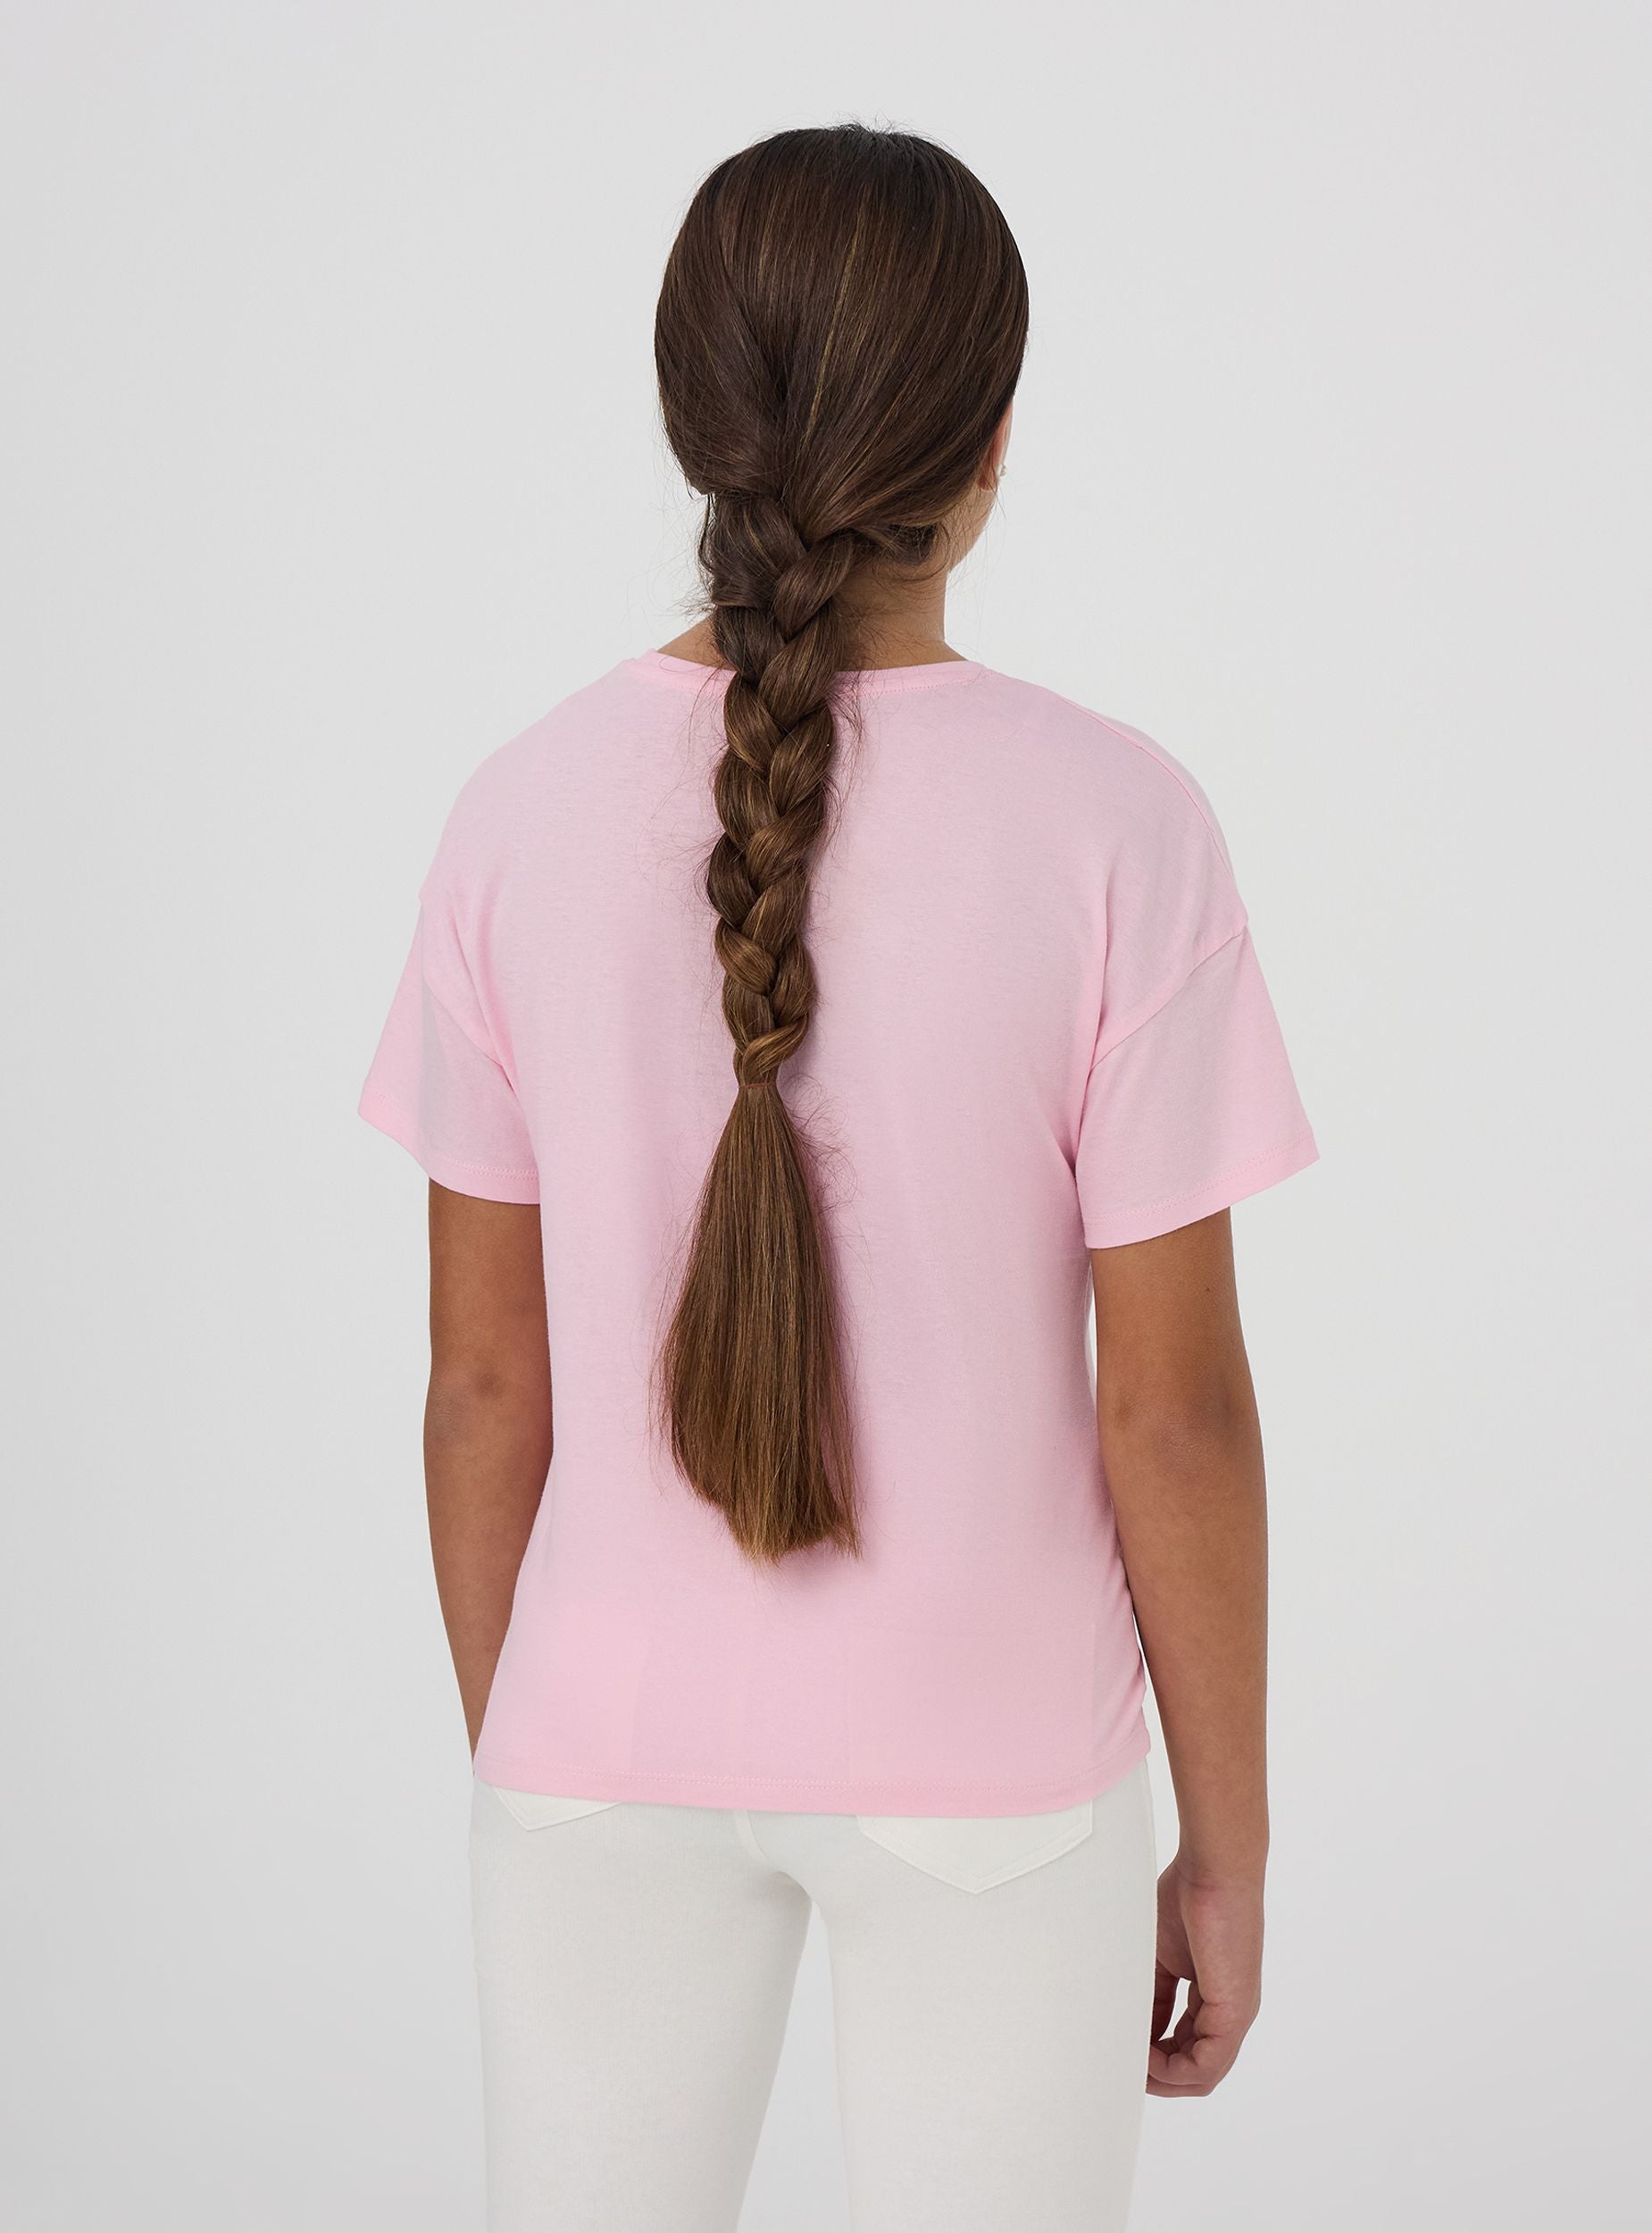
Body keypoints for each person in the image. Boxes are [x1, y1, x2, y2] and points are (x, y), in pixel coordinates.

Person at [359, 121, 1317, 2233]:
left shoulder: (511, 813)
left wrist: (549, 1762)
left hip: (598, 1736)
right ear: (986, 441)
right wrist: (1227, 1847)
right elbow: (1172, 1409)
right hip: (996, 1760)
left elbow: (481, 1385)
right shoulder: (1118, 825)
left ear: (691, 422)